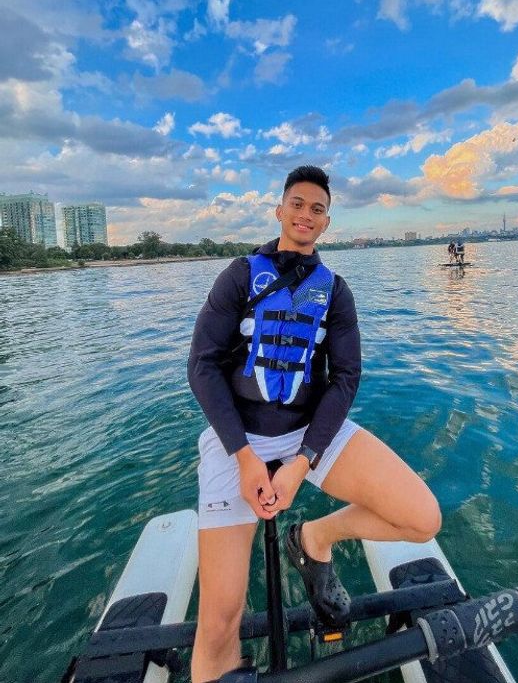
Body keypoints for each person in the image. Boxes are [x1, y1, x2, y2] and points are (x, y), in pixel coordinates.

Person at [187, 166, 442, 682]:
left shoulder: (336, 292)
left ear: (327, 223)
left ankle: (315, 537)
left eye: (317, 209)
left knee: (422, 519)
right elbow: (202, 365)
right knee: (218, 624)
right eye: (297, 204)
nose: (306, 214)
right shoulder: (239, 276)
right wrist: (244, 456)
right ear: (280, 211)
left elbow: (345, 378)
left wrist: (303, 461)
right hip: (237, 439)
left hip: (309, 435)